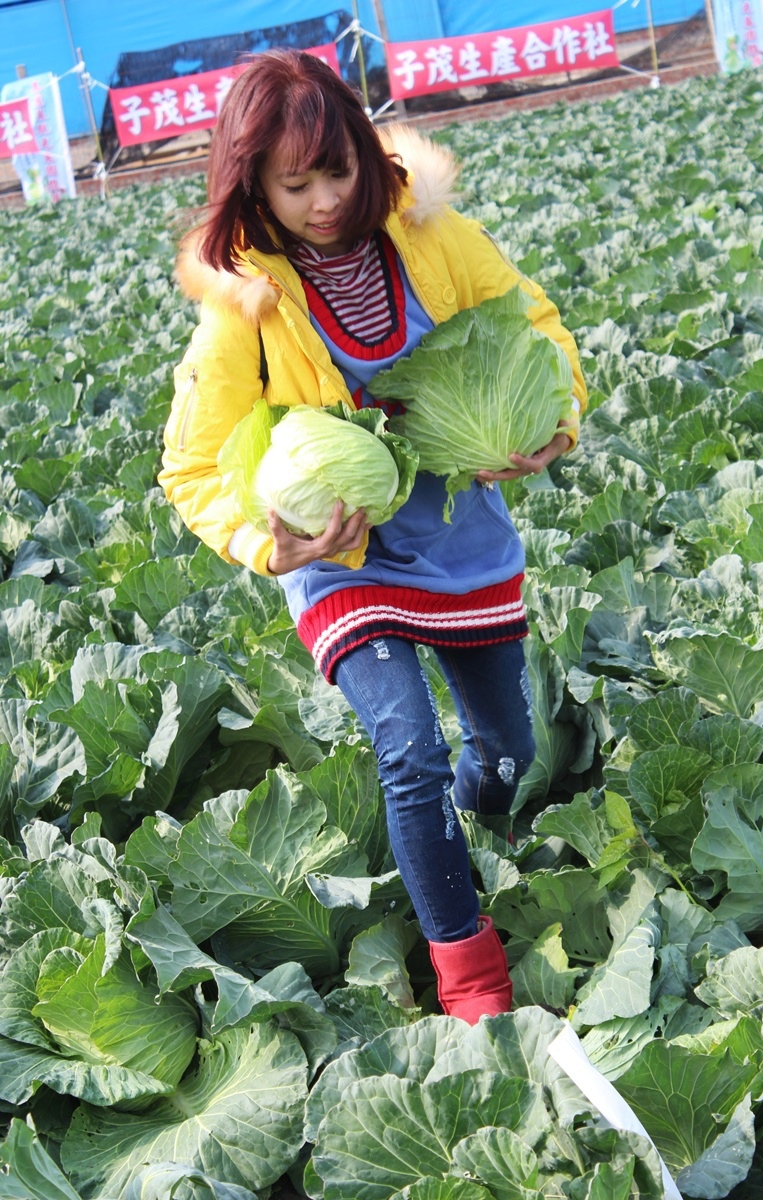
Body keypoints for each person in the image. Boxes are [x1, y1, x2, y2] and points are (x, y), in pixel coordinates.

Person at [159, 49, 587, 1024]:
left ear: (363, 151)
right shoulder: (245, 304)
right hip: (343, 557)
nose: (319, 201)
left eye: (336, 173)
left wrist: (551, 415)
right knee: (409, 753)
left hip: (461, 535)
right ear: (254, 183)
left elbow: (536, 326)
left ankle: (461, 830)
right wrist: (271, 547)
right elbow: (187, 466)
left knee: (504, 753)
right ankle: (466, 968)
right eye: (292, 183)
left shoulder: (435, 239)